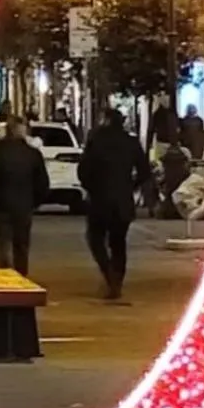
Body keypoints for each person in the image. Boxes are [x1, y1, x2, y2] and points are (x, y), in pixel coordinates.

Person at [78, 106, 151, 300]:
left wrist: (91, 187)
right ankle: (116, 279)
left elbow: (83, 170)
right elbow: (144, 171)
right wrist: (130, 186)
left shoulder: (96, 141)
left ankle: (109, 274)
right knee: (118, 243)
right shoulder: (131, 142)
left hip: (99, 199)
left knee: (95, 238)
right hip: (122, 200)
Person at [0, 114, 50, 278]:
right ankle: (21, 277)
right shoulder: (32, 155)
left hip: (0, 206)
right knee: (21, 246)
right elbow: (42, 183)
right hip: (23, 207)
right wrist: (34, 202)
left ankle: (6, 271)